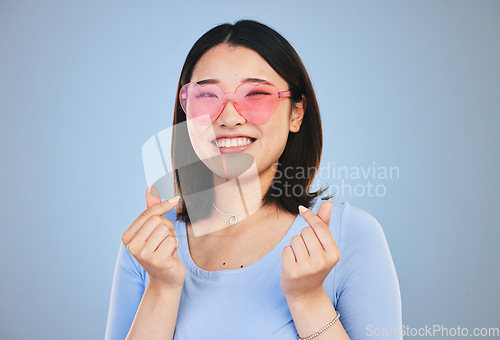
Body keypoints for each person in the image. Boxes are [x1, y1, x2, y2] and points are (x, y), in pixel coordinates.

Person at [105, 20, 402, 340]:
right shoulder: (151, 246)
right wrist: (161, 288)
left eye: (257, 94)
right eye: (206, 95)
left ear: (296, 113)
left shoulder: (348, 235)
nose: (229, 117)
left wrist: (308, 298)